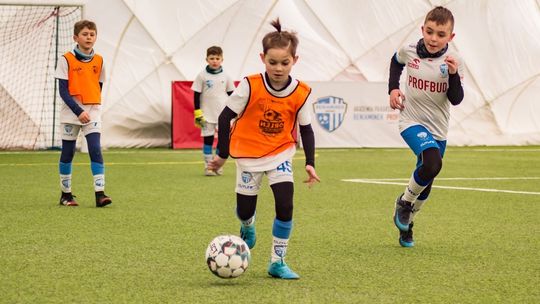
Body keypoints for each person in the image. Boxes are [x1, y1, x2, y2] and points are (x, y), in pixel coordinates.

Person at [208, 18, 320, 279]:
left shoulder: (300, 92)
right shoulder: (250, 85)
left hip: (280, 152)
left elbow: (306, 129)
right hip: (248, 155)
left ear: (295, 60)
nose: (278, 68)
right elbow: (225, 118)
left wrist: (310, 161)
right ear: (262, 58)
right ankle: (248, 224)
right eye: (272, 62)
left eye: (285, 62)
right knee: (245, 210)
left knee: (285, 204)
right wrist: (223, 155)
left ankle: (277, 262)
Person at [388, 6, 464, 247]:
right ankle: (404, 202)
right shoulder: (409, 51)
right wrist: (393, 88)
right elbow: (395, 62)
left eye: (441, 34)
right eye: (429, 31)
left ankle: (407, 225)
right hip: (411, 121)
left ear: (450, 37)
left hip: (438, 129)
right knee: (432, 163)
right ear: (422, 30)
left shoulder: (453, 61)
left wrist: (453, 75)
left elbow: (456, 99)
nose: (433, 38)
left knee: (428, 180)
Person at [55, 20, 111, 208]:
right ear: (75, 37)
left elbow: (98, 85)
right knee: (68, 152)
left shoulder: (100, 60)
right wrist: (79, 111)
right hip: (71, 113)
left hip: (92, 112)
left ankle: (100, 194)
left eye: (92, 34)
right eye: (85, 34)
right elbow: (63, 91)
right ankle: (66, 195)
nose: (89, 37)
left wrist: (91, 108)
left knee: (95, 148)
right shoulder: (66, 59)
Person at [191, 46, 235, 176]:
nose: (214, 61)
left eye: (217, 58)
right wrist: (197, 112)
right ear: (207, 59)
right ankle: (208, 166)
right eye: (211, 58)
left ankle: (217, 166)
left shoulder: (226, 75)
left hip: (223, 115)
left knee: (222, 141)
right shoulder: (201, 75)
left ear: (222, 59)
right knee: (208, 140)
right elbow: (196, 94)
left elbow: (232, 93)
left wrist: (235, 110)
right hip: (206, 115)